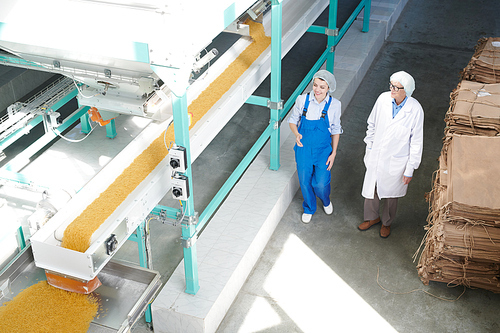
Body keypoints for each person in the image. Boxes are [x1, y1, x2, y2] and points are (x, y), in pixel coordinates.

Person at [358, 71, 424, 238]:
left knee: (391, 195)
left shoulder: (415, 110)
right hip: (376, 155)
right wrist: (370, 148)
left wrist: (410, 169)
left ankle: (387, 222)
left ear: (406, 90)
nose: (392, 90)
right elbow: (371, 124)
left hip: (398, 161)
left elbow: (416, 142)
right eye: (391, 85)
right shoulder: (382, 99)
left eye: (396, 87)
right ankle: (371, 217)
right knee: (371, 189)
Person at [289, 69, 342, 223]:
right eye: (315, 85)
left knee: (320, 183)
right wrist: (296, 134)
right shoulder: (302, 100)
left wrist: (334, 153)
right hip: (303, 148)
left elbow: (336, 130)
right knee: (304, 181)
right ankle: (309, 207)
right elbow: (293, 120)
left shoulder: (335, 105)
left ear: (329, 88)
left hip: (323, 151)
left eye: (322, 87)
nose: (317, 90)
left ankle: (325, 200)